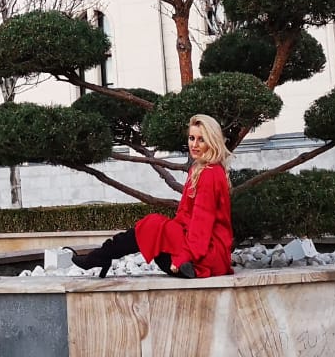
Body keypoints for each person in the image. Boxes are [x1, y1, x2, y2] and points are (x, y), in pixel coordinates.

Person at [69, 113, 233, 278]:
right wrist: (170, 234)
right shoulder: (200, 169)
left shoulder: (209, 174)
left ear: (212, 142)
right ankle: (101, 255)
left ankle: (100, 256)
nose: (194, 145)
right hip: (202, 248)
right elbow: (185, 216)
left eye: (201, 140)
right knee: (155, 226)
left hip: (207, 255)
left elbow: (202, 225)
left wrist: (183, 255)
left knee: (153, 227)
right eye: (191, 138)